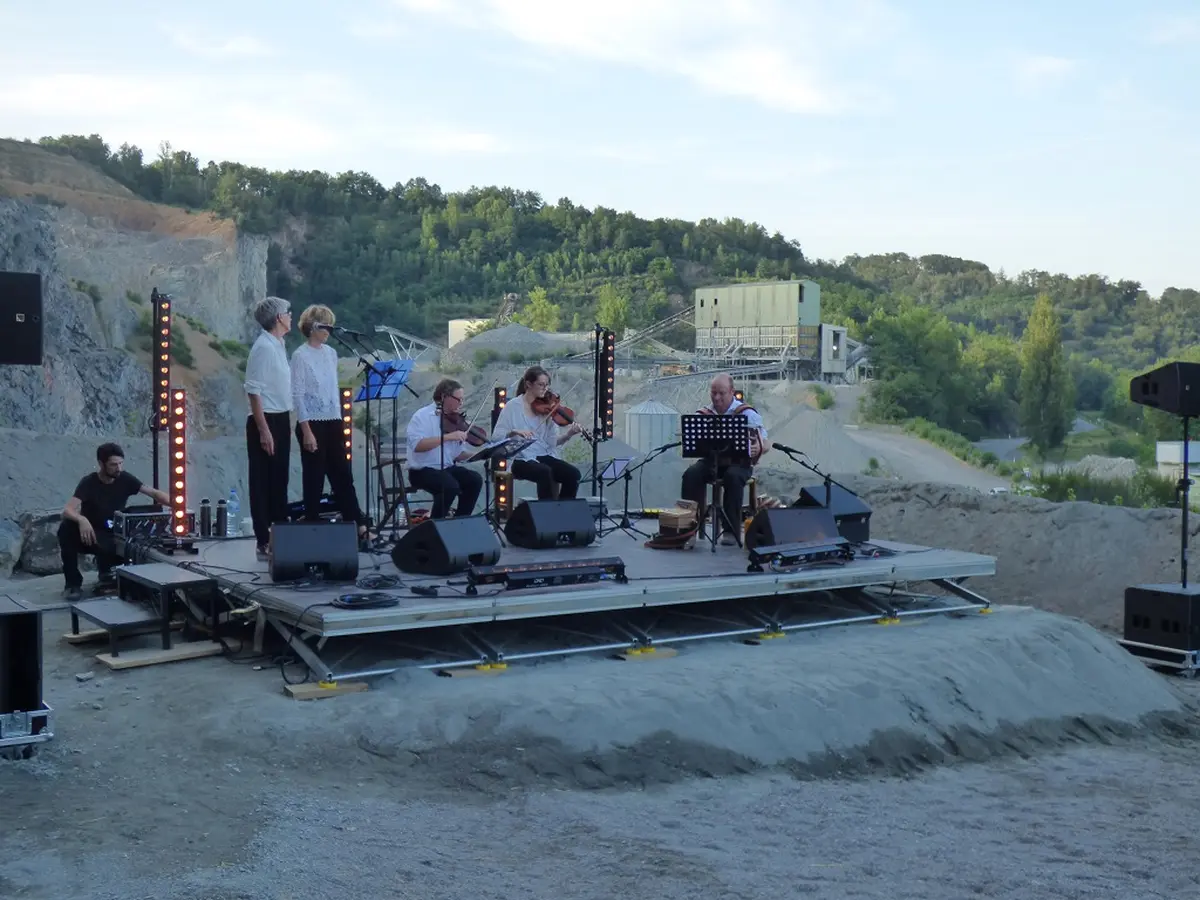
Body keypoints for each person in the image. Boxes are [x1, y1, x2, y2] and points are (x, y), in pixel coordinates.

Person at [290, 304, 374, 546]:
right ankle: (312, 529)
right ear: (313, 326)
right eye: (325, 326)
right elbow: (298, 396)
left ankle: (359, 526)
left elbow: (331, 390)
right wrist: (306, 430)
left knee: (343, 476)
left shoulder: (330, 353)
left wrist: (339, 420)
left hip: (333, 420)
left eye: (330, 326)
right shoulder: (300, 355)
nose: (329, 331)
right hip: (311, 423)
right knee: (314, 478)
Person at [58, 442, 169, 599]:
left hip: (114, 536)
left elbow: (154, 493)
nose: (118, 468)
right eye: (113, 465)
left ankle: (109, 575)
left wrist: (180, 505)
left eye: (120, 463)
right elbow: (67, 510)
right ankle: (72, 585)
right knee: (65, 529)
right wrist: (82, 519)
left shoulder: (125, 478)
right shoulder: (89, 482)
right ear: (101, 464)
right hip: (90, 535)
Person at [680, 373, 771, 545]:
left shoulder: (747, 413)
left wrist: (759, 447)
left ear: (732, 392)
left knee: (733, 477)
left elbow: (766, 442)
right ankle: (689, 527)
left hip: (740, 464)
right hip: (711, 462)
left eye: (721, 393)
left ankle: (730, 531)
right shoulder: (704, 414)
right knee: (691, 474)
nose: (716, 398)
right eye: (713, 393)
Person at [244, 295, 293, 559]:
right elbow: (254, 391)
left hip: (281, 417)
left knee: (279, 479)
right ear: (278, 318)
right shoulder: (263, 347)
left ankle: (280, 534)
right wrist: (263, 430)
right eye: (288, 312)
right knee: (262, 481)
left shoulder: (279, 344)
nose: (291, 316)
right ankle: (263, 538)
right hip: (266, 419)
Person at [492, 365, 584, 500]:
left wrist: (568, 435)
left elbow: (551, 442)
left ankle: (562, 509)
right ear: (529, 384)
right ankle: (546, 511)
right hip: (519, 458)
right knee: (544, 472)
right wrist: (512, 432)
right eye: (541, 385)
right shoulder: (512, 406)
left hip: (543, 455)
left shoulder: (548, 409)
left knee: (573, 474)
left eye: (547, 385)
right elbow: (496, 437)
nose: (545, 389)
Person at [405, 378, 484, 519]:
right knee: (450, 486)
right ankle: (435, 525)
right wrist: (448, 437)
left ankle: (461, 521)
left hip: (446, 468)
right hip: (422, 470)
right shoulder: (422, 416)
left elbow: (457, 455)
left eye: (462, 399)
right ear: (444, 397)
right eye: (458, 399)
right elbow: (418, 446)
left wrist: (480, 455)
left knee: (474, 480)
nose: (461, 403)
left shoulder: (454, 421)